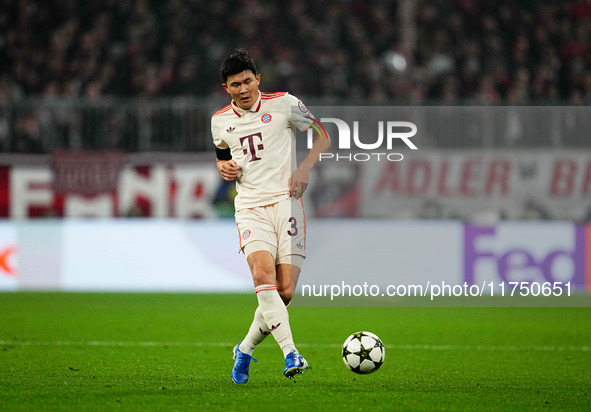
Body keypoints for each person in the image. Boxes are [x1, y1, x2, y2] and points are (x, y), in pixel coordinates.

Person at [211, 49, 330, 383]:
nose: (244, 88)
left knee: (285, 291)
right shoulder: (219, 121)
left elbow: (323, 136)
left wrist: (305, 168)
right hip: (250, 208)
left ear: (258, 79)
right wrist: (223, 167)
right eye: (236, 84)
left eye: (248, 80)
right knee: (263, 277)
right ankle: (291, 353)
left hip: (286, 203)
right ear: (227, 88)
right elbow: (222, 157)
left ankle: (244, 349)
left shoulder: (284, 103)